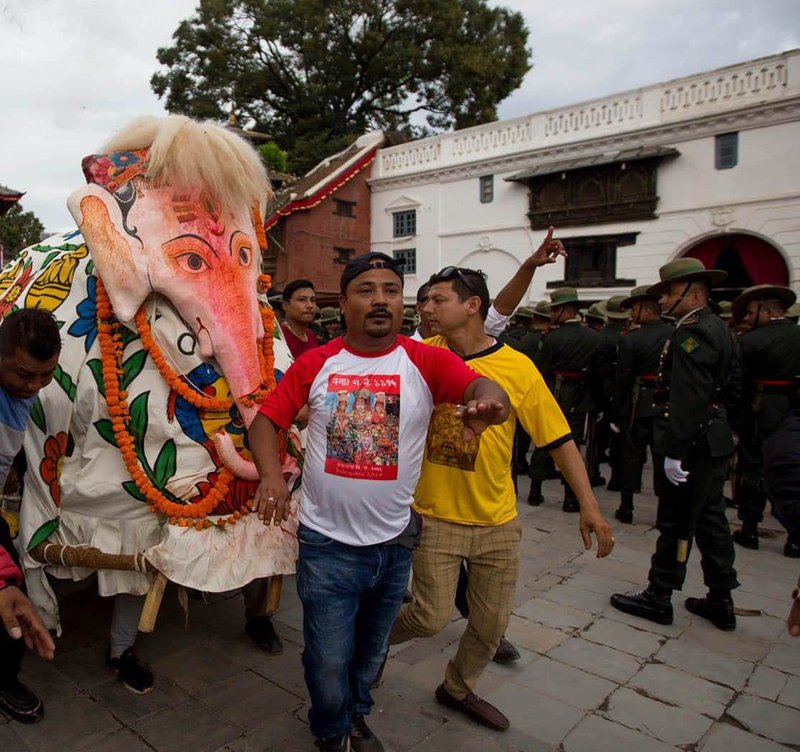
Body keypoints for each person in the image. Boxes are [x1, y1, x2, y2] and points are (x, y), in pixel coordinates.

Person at [248, 251, 510, 752]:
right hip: (327, 546)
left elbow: (480, 384)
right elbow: (266, 422)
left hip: (394, 545)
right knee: (326, 659)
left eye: (391, 290)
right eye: (366, 290)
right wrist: (271, 477)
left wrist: (489, 402)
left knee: (370, 655)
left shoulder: (426, 359)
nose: (380, 300)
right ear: (343, 302)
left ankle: (357, 717)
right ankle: (330, 728)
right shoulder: (317, 363)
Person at [390, 266, 614, 732]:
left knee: (491, 626)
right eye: (425, 301)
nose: (426, 309)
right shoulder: (417, 356)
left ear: (472, 305)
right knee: (429, 618)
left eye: (437, 300)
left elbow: (557, 438)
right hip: (435, 516)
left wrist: (590, 507)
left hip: (498, 520)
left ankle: (457, 688)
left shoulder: (517, 367)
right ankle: (368, 646)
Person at [611, 258, 740, 631]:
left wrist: (676, 450)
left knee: (677, 519)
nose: (662, 300)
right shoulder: (719, 328)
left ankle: (660, 594)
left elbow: (689, 398)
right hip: (712, 436)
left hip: (692, 441)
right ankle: (721, 597)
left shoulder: (693, 333)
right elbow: (730, 388)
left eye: (668, 292)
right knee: (711, 518)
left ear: (694, 292)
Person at [0, 309, 61, 724]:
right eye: (24, 375)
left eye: (46, 376)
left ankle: (5, 678)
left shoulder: (21, 389)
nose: (34, 387)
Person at [730, 285, 800, 557]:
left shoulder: (750, 342)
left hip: (759, 410)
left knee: (753, 467)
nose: (747, 317)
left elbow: (737, 384)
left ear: (768, 310)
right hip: (793, 410)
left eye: (751, 312)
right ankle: (794, 535)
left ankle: (749, 526)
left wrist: (736, 419)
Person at [529, 287, 603, 510]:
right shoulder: (594, 337)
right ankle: (571, 498)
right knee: (572, 445)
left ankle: (535, 490)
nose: (551, 315)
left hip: (554, 393)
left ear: (565, 310)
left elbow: (539, 372)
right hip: (580, 398)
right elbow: (596, 374)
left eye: (555, 310)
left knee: (544, 441)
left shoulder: (552, 338)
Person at [610, 286, 673, 524]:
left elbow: (623, 378)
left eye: (635, 309)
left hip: (638, 403)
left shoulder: (632, 339)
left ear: (647, 310)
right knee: (661, 457)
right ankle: (664, 511)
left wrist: (617, 411)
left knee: (631, 455)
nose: (632, 314)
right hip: (665, 401)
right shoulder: (673, 334)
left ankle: (627, 506)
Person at [281, 279, 319, 358]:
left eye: (313, 300)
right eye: (302, 300)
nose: (310, 305)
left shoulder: (311, 336)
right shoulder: (279, 337)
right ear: (286, 305)